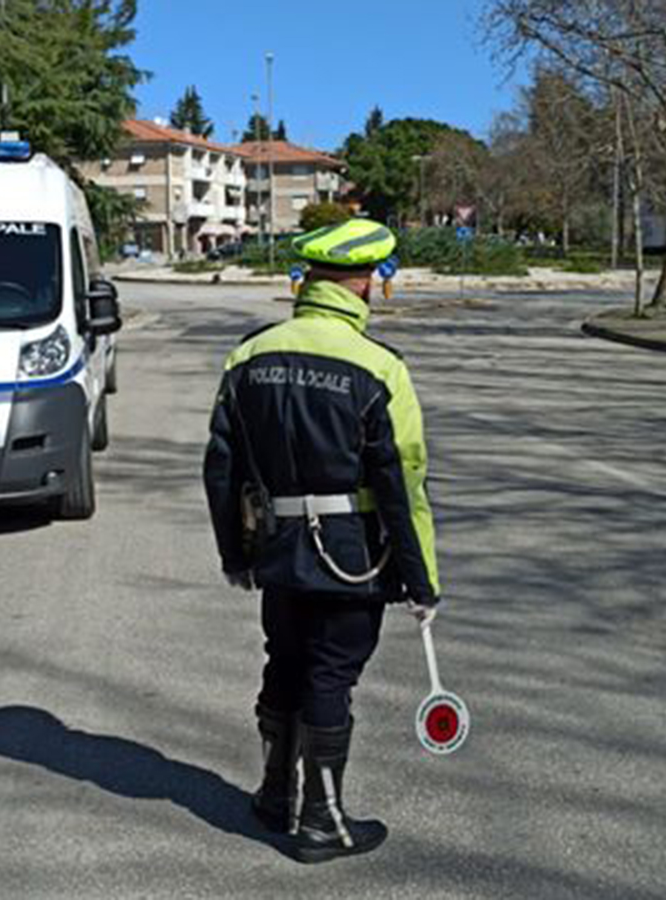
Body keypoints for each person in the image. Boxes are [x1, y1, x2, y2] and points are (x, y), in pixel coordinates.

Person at [203, 218, 440, 864]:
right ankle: (321, 822)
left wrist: (234, 555)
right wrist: (423, 583)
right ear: (367, 283)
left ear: (306, 282)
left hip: (277, 548)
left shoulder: (248, 355)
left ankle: (276, 796)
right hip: (350, 554)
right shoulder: (380, 368)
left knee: (284, 660)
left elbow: (220, 467)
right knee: (331, 674)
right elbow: (404, 482)